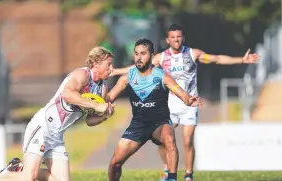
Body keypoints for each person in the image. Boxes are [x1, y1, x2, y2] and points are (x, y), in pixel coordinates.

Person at [110, 24, 261, 181]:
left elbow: (216, 59)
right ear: (168, 40)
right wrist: (116, 71)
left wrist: (242, 60)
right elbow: (137, 66)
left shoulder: (192, 53)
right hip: (169, 104)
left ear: (183, 38)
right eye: (173, 37)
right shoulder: (161, 57)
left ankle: (188, 175)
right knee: (162, 140)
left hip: (189, 102)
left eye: (178, 36)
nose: (176, 39)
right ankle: (167, 169)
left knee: (187, 139)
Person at [0, 46, 115, 181]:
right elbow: (67, 94)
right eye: (108, 64)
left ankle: (18, 168)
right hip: (42, 127)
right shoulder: (82, 74)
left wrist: (104, 115)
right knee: (29, 177)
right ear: (96, 63)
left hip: (56, 137)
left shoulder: (102, 88)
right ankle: (5, 175)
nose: (111, 68)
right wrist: (96, 105)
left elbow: (89, 120)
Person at [106, 38, 201, 181]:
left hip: (159, 123)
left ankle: (172, 178)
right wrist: (98, 101)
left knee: (169, 138)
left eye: (143, 53)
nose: (139, 57)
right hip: (138, 125)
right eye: (136, 53)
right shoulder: (127, 78)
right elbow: (109, 97)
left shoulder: (162, 76)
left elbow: (181, 93)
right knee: (115, 163)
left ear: (151, 55)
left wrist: (189, 100)